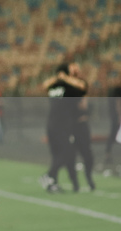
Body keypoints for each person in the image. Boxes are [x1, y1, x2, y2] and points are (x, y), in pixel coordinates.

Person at [40, 63, 86, 192]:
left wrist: (61, 78)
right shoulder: (69, 87)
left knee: (59, 154)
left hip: (53, 124)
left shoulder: (57, 86)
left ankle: (53, 182)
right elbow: (82, 87)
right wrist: (63, 78)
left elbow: (45, 85)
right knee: (67, 153)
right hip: (63, 125)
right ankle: (49, 175)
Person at [68, 63, 95, 190]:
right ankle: (75, 183)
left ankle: (89, 178)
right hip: (71, 126)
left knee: (87, 155)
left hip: (81, 125)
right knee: (71, 156)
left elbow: (84, 106)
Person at [105, 74, 121, 165]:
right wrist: (120, 116)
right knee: (113, 133)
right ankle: (108, 153)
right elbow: (118, 103)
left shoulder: (111, 90)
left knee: (113, 133)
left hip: (114, 116)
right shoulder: (117, 90)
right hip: (117, 116)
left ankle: (108, 153)